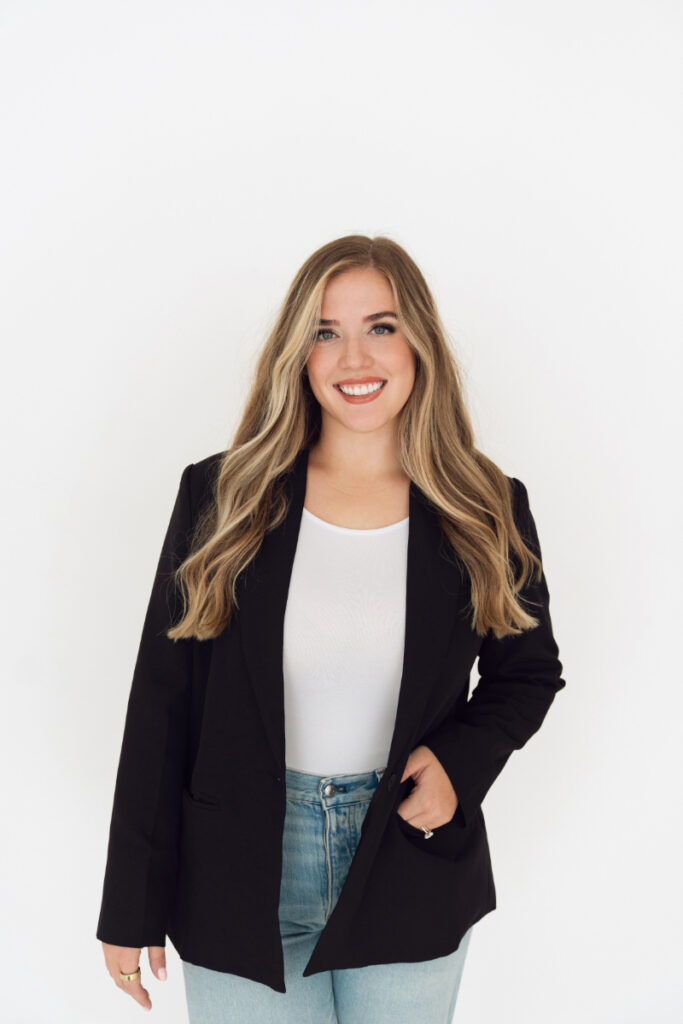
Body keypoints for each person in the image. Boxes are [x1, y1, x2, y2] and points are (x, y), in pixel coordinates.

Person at [97, 234, 566, 1021]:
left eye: (381, 327)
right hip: (240, 863)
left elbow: (527, 672)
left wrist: (458, 764)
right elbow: (162, 702)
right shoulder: (223, 496)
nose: (354, 357)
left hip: (406, 854)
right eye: (325, 332)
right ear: (298, 354)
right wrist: (130, 903)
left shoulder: (485, 506)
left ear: (419, 343)